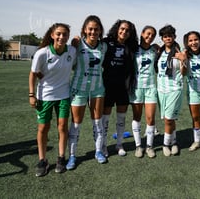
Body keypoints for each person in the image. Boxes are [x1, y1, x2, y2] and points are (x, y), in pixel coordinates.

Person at [28, 23, 76, 177]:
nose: (62, 37)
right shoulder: (42, 53)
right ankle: (43, 160)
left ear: (68, 36)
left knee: (62, 127)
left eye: (65, 34)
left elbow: (78, 45)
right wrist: (31, 95)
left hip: (63, 96)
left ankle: (61, 157)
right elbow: (33, 74)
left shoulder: (72, 51)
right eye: (59, 34)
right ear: (52, 35)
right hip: (45, 97)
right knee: (43, 128)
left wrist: (77, 39)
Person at [66, 15, 107, 170]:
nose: (93, 32)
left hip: (97, 89)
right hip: (79, 88)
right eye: (90, 29)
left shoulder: (104, 47)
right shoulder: (77, 45)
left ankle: (98, 151)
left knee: (98, 121)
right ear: (84, 30)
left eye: (96, 29)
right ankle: (72, 155)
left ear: (100, 31)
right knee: (76, 123)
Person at [101, 20, 139, 157]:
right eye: (122, 29)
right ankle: (103, 146)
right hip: (108, 86)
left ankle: (119, 145)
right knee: (105, 118)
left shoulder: (132, 46)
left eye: (127, 30)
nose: (124, 32)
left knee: (121, 118)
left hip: (123, 87)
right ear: (117, 29)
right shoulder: (106, 42)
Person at [155, 24, 187, 156]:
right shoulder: (159, 52)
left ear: (174, 37)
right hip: (161, 89)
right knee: (169, 119)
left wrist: (183, 60)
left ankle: (165, 144)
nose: (168, 38)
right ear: (162, 38)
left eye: (170, 36)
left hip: (174, 88)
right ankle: (174, 141)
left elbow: (184, 72)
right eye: (165, 36)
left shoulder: (179, 52)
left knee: (168, 119)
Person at [130, 26, 158, 158]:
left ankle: (149, 146)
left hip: (151, 87)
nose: (150, 37)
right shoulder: (134, 48)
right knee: (137, 117)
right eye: (148, 34)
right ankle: (138, 146)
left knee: (150, 118)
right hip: (136, 88)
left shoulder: (155, 49)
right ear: (142, 34)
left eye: (153, 35)